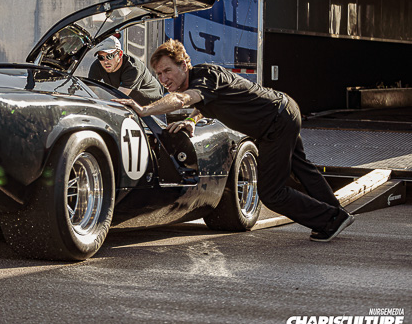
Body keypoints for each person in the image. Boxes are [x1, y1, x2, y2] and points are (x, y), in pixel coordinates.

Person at [113, 39, 354, 242]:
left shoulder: (205, 75)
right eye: (158, 74)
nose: (163, 78)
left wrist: (144, 110)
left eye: (167, 71)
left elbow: (184, 99)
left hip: (276, 122)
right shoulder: (201, 85)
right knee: (302, 169)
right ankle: (336, 213)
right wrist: (192, 121)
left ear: (184, 64)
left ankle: (330, 220)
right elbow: (207, 104)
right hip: (283, 112)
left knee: (271, 192)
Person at [88, 36, 165, 106]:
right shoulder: (97, 65)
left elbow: (118, 99)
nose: (105, 61)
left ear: (120, 54)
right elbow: (90, 91)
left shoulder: (133, 68)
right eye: (101, 57)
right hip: (129, 102)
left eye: (109, 56)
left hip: (152, 104)